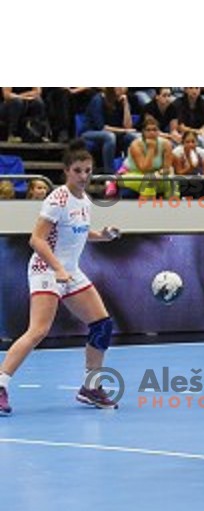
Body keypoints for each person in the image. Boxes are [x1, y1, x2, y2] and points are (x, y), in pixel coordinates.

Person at [0, 140, 122, 415]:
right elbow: (37, 240)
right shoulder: (57, 199)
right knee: (38, 331)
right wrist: (57, 269)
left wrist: (102, 235)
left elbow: (78, 233)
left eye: (88, 171)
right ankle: (1, 384)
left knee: (102, 325)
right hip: (46, 269)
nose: (83, 176)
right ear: (66, 171)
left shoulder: (85, 201)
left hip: (69, 271)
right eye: (78, 170)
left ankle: (91, 387)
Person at [119, 115, 175, 198]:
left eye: (154, 130)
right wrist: (151, 149)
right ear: (143, 132)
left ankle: (173, 210)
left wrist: (159, 173)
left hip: (156, 175)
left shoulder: (166, 144)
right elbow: (144, 168)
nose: (152, 132)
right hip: (131, 174)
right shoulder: (135, 145)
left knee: (173, 183)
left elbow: (167, 168)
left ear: (158, 131)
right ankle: (147, 210)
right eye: (148, 130)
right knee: (149, 182)